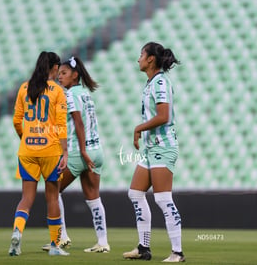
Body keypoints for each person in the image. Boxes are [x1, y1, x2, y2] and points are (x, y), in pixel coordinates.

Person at [122, 42, 185, 262]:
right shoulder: (151, 83)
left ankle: (177, 252)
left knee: (163, 198)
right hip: (151, 149)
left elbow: (164, 116)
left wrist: (138, 128)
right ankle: (143, 248)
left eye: (141, 55)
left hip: (163, 146)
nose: (138, 58)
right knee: (135, 194)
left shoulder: (160, 82)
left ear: (150, 59)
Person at [42, 56, 110, 253]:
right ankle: (103, 242)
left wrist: (81, 151)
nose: (59, 77)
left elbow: (78, 124)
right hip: (97, 150)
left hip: (79, 152)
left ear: (75, 75)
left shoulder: (70, 95)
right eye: (59, 73)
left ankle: (61, 238)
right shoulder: (86, 94)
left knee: (52, 189)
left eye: (64, 73)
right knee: (93, 197)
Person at [8, 51, 69, 256]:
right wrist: (65, 151)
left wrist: (24, 137)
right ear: (54, 68)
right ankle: (54, 245)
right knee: (52, 198)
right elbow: (61, 124)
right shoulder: (57, 91)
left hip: (27, 149)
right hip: (50, 150)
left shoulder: (24, 88)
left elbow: (17, 120)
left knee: (26, 198)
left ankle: (17, 231)